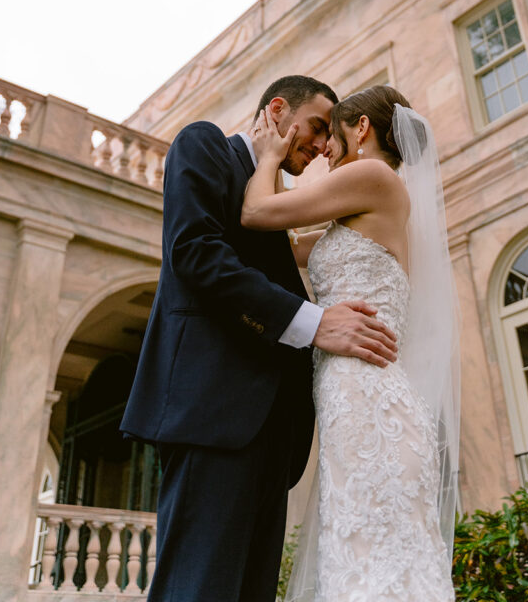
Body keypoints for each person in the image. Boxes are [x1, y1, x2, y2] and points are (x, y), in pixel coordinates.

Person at [120, 75, 399, 602]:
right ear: (276, 110)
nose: (321, 148)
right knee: (197, 589)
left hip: (276, 434)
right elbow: (196, 253)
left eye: (326, 138)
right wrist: (317, 323)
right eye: (316, 128)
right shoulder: (203, 145)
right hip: (214, 416)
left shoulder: (278, 197)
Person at [242, 84, 460, 602]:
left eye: (330, 133)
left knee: (374, 567)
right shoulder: (355, 218)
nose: (323, 150)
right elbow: (286, 245)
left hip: (369, 404)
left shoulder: (374, 176)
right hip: (351, 403)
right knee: (361, 560)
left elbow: (257, 214)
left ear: (361, 128)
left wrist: (269, 155)